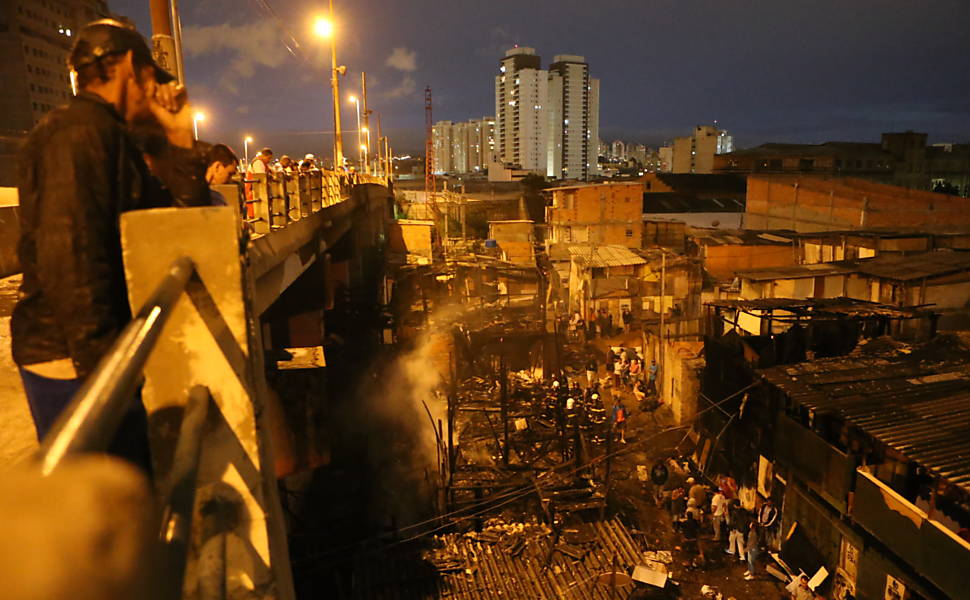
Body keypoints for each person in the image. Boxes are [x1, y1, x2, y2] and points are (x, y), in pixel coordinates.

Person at [11, 19, 208, 471]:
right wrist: (108, 380)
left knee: (124, 494)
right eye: (154, 79)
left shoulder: (107, 134)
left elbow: (182, 225)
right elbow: (72, 257)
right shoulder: (77, 133)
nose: (156, 93)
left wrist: (178, 140)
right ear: (129, 69)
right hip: (71, 359)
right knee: (101, 503)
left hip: (99, 354)